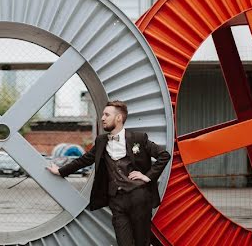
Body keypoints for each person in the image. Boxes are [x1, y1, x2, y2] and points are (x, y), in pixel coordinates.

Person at [47, 100, 171, 246]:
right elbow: (84, 160)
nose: (102, 118)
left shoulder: (138, 138)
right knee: (123, 242)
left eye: (107, 114)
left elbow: (164, 155)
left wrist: (147, 176)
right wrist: (60, 171)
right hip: (116, 201)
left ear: (118, 118)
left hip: (139, 198)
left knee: (141, 243)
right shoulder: (101, 141)